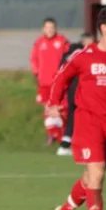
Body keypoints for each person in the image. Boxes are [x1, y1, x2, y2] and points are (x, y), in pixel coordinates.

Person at [48, 8, 106, 210]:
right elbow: (61, 77)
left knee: (90, 179)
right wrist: (54, 103)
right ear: (104, 28)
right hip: (89, 122)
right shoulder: (84, 55)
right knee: (98, 174)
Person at [30, 17, 70, 145]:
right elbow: (34, 60)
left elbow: (70, 58)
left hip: (59, 82)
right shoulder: (39, 43)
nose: (50, 30)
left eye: (52, 27)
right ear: (43, 29)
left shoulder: (62, 41)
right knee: (47, 108)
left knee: (61, 108)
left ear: (55, 28)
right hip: (44, 82)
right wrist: (36, 74)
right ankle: (52, 134)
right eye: (47, 27)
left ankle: (64, 134)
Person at [55, 32, 95, 156]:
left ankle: (67, 144)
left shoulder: (71, 52)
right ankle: (83, 146)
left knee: (74, 116)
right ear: (83, 42)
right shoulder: (82, 53)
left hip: (75, 89)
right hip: (81, 89)